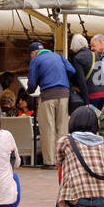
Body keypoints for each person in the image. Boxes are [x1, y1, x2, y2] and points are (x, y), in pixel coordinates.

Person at [27, 40, 76, 169]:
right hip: (64, 94)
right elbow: (72, 70)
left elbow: (32, 84)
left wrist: (29, 91)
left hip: (48, 95)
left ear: (33, 53)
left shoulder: (35, 60)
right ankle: (63, 159)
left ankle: (49, 161)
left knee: (47, 128)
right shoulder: (59, 56)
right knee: (62, 127)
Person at [55, 105, 104, 207]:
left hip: (78, 200)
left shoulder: (65, 141)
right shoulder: (101, 143)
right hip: (103, 200)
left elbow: (58, 163)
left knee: (60, 200)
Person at [68, 34, 96, 114]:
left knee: (88, 120)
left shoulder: (78, 58)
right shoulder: (95, 55)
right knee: (98, 120)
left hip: (90, 95)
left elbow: (81, 81)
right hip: (100, 93)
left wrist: (86, 101)